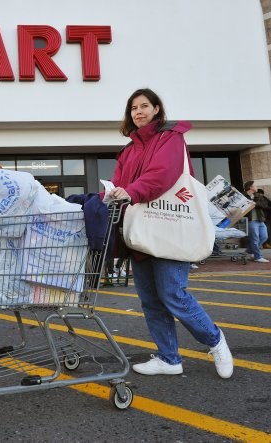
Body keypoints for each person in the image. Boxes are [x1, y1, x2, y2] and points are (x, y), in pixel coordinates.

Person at [107, 88, 233, 378]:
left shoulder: (170, 138)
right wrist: (112, 191)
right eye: (133, 109)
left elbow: (162, 174)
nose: (138, 112)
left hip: (168, 228)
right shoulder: (128, 149)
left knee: (173, 294)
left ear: (156, 109)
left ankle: (215, 340)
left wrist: (132, 191)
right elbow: (120, 181)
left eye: (144, 106)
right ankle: (169, 358)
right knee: (151, 300)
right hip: (140, 231)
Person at [243, 181, 269, 263]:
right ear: (250, 187)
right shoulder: (243, 196)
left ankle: (250, 251)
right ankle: (258, 257)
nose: (257, 187)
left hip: (260, 220)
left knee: (264, 237)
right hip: (251, 220)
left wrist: (255, 203)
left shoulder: (258, 195)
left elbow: (265, 205)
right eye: (255, 186)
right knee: (255, 239)